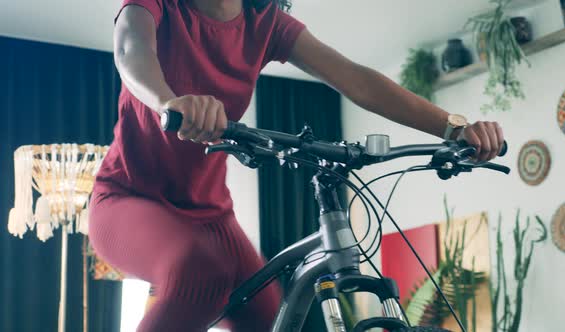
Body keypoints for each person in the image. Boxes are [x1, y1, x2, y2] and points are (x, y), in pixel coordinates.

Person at [88, 0, 505, 331]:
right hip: (127, 199)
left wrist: (453, 129)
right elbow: (131, 48)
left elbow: (356, 80)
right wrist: (168, 101)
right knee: (200, 271)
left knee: (273, 318)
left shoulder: (265, 23)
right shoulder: (160, 5)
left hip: (214, 217)